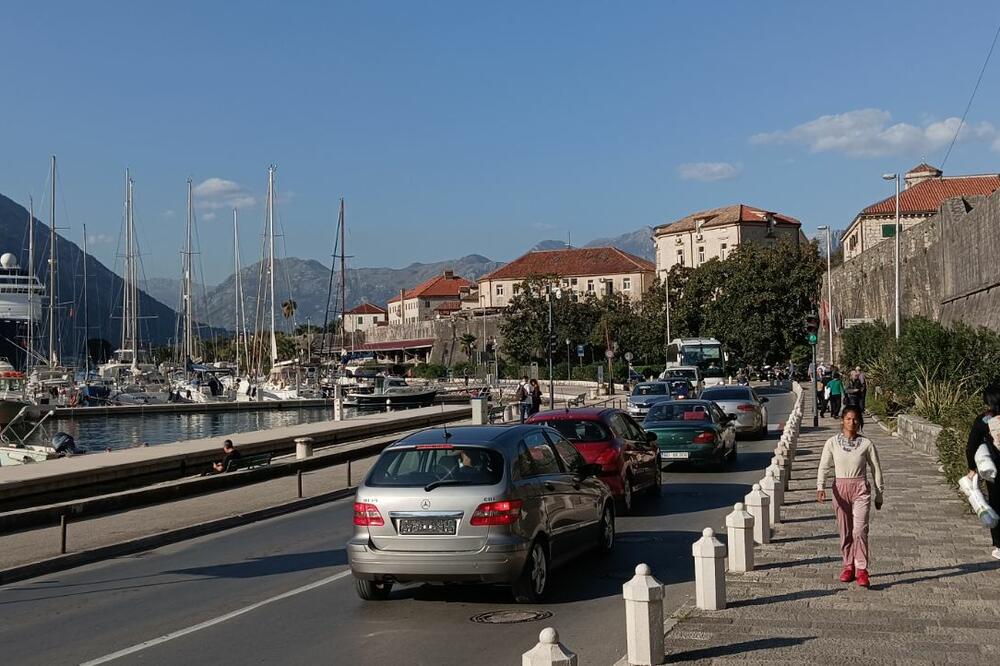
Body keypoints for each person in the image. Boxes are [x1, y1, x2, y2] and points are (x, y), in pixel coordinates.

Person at [817, 406, 884, 588]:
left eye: (855, 419)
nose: (851, 423)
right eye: (848, 419)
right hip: (840, 489)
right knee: (845, 531)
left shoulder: (866, 444)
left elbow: (876, 468)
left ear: (859, 422)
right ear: (842, 420)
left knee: (859, 530)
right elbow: (824, 465)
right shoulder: (832, 442)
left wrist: (879, 494)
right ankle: (848, 565)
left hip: (860, 488)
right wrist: (820, 486)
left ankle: (861, 569)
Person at [965, 384, 1000, 560]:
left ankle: (999, 545)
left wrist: (972, 468)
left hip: (994, 470)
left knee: (996, 503)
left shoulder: (984, 420)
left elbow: (972, 445)